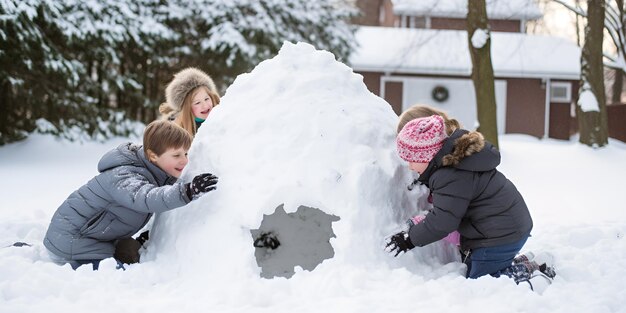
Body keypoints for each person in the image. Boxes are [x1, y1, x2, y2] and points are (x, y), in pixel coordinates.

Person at [385, 111, 555, 290]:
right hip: (506, 226)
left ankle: (536, 283)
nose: (409, 166)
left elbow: (444, 221)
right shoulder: (453, 165)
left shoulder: (448, 176)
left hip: (499, 235)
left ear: (426, 156)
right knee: (479, 270)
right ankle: (532, 264)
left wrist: (409, 239)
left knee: (483, 284)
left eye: (411, 160)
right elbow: (449, 208)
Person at [43, 120, 219, 270]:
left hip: (97, 238)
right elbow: (146, 197)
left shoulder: (154, 171)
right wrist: (188, 191)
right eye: (176, 155)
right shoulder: (124, 175)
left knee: (132, 254)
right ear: (153, 156)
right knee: (117, 273)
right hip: (72, 243)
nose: (184, 160)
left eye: (186, 153)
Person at [159, 67, 221, 137]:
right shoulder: (174, 131)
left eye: (206, 99)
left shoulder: (223, 114)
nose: (205, 106)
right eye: (197, 103)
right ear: (187, 108)